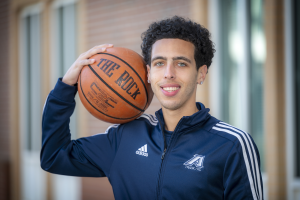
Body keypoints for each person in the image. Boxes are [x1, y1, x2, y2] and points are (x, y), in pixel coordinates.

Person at [41, 16, 263, 200]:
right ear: (148, 73)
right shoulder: (125, 137)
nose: (168, 73)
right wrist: (65, 88)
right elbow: (53, 156)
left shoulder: (232, 144)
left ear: (201, 73)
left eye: (181, 63)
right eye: (159, 63)